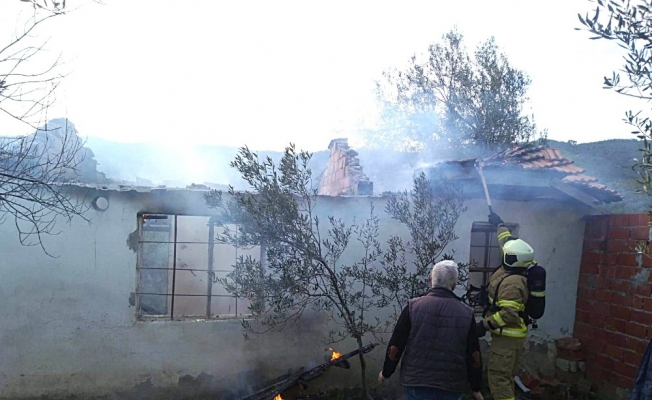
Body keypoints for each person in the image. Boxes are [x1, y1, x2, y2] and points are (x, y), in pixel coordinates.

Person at [377, 260, 484, 400]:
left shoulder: (412, 307)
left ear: (430, 280)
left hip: (416, 382)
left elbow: (396, 345)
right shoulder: (466, 313)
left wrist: (386, 372)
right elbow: (474, 354)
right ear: (454, 284)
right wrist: (476, 387)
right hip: (451, 385)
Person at [476, 211, 535, 400]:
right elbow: (506, 242)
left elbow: (508, 315)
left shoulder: (513, 283)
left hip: (507, 340)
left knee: (499, 379)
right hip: (508, 340)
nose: (504, 254)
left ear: (512, 259)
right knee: (505, 378)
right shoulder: (515, 265)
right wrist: (499, 224)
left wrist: (484, 325)